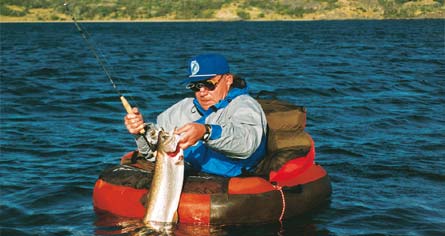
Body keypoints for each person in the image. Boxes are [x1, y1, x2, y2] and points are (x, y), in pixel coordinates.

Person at [124, 53, 267, 177]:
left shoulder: (245, 105)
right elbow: (153, 153)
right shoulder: (180, 109)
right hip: (184, 174)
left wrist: (205, 132)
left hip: (228, 180)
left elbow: (246, 143)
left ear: (228, 80)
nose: (202, 92)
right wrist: (141, 132)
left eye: (209, 84)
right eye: (196, 86)